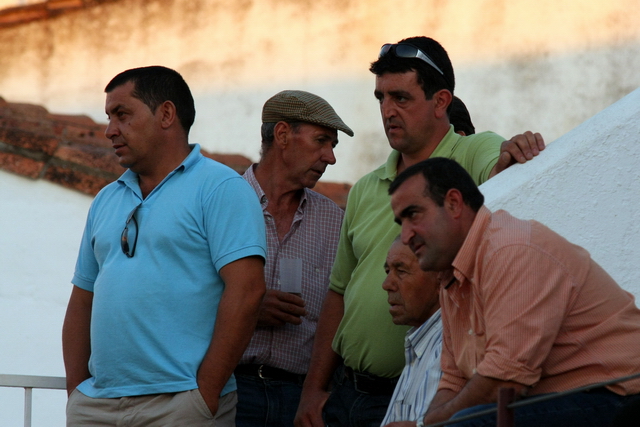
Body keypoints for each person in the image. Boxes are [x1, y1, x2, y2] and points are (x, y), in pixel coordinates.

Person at [295, 36, 545, 427]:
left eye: (401, 98)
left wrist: (513, 153)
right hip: (343, 392)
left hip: (415, 390)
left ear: (442, 101)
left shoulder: (470, 153)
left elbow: (499, 170)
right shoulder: (364, 188)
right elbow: (338, 293)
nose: (388, 111)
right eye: (381, 98)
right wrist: (312, 391)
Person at [62, 66, 267, 427]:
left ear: (167, 114)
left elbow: (247, 291)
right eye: (109, 117)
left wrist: (204, 395)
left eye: (122, 115)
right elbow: (83, 298)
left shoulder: (221, 188)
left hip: (182, 405)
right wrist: (78, 393)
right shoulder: (106, 199)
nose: (110, 130)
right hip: (97, 407)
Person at [388, 157, 640, 427]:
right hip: (565, 400)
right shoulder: (452, 275)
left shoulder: (511, 250)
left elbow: (502, 381)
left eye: (413, 215)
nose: (405, 236)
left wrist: (427, 426)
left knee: (467, 423)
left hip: (619, 397)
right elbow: (453, 380)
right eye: (400, 222)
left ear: (453, 203)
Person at [235, 90, 353, 427]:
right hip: (229, 388)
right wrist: (244, 309)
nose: (330, 157)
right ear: (283, 135)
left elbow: (343, 310)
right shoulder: (220, 205)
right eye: (320, 141)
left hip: (301, 401)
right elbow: (181, 296)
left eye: (333, 146)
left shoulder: (335, 222)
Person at [380, 237, 442, 426]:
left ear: (441, 278)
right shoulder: (421, 340)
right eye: (388, 271)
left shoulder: (446, 349)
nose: (386, 284)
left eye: (401, 271)